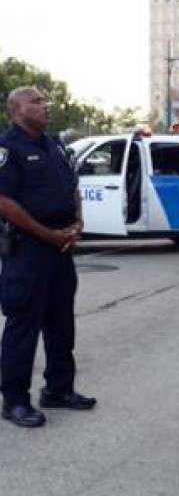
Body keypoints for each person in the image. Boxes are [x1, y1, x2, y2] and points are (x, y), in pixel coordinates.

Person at [0, 87, 95, 428]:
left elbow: (73, 187)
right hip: (28, 249)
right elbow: (4, 201)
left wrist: (77, 223)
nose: (46, 106)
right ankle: (14, 400)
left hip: (60, 248)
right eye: (37, 102)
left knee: (60, 321)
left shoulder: (55, 145)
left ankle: (58, 389)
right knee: (23, 323)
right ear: (15, 109)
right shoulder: (8, 148)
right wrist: (46, 234)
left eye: (45, 101)